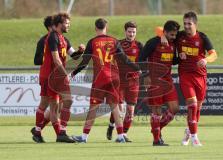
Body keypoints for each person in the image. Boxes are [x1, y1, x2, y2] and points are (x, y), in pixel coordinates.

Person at [71, 18, 141, 143]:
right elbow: (125, 59)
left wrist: (72, 74)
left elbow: (84, 62)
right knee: (115, 108)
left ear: (95, 28)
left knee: (93, 108)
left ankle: (84, 137)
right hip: (114, 79)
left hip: (100, 79)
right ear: (106, 28)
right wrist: (138, 69)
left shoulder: (92, 42)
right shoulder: (114, 41)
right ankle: (120, 136)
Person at [161, 11, 218, 146]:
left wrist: (206, 59)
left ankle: (189, 131)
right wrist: (162, 35)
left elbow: (214, 54)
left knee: (197, 107)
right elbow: (162, 30)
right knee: (191, 104)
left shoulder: (202, 37)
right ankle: (194, 137)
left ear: (195, 24)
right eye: (184, 23)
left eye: (189, 24)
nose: (186, 26)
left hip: (200, 76)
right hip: (185, 75)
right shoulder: (179, 36)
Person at [31, 12, 84, 143]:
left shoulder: (63, 39)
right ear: (58, 24)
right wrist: (64, 74)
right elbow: (55, 58)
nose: (68, 25)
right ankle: (61, 133)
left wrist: (81, 51)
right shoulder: (52, 37)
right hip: (52, 76)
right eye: (66, 23)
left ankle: (38, 131)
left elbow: (74, 56)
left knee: (48, 105)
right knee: (63, 102)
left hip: (53, 76)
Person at [139, 20, 180, 146]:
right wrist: (146, 75)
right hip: (154, 81)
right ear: (165, 32)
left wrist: (180, 58)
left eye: (175, 35)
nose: (174, 37)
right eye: (172, 34)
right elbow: (140, 59)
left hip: (167, 81)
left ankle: (157, 129)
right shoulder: (153, 42)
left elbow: (172, 61)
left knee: (174, 109)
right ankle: (156, 139)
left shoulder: (173, 43)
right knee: (156, 111)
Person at [106, 21, 143, 142]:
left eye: (134, 32)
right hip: (119, 80)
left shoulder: (139, 46)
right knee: (120, 108)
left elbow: (144, 61)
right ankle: (112, 127)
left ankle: (124, 134)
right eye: (129, 31)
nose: (131, 34)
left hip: (134, 81)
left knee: (131, 111)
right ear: (125, 31)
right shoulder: (118, 44)